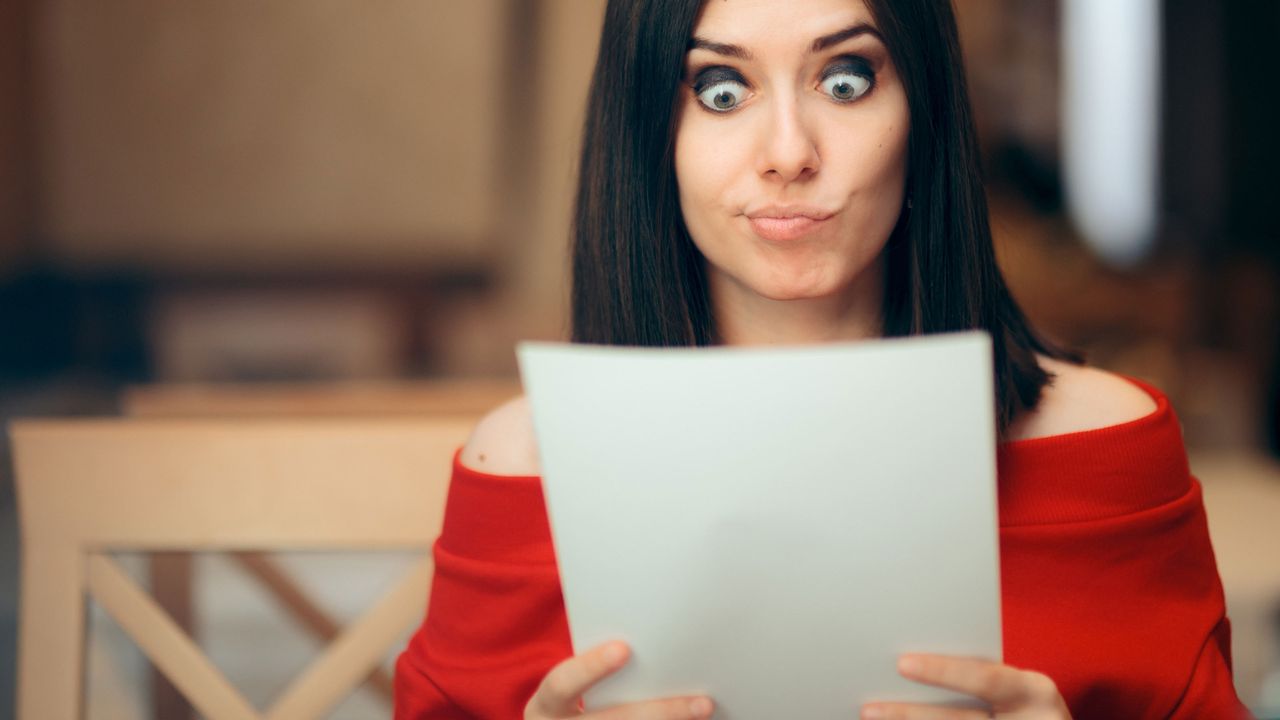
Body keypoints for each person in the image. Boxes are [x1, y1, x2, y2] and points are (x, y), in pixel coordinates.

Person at [395, 0, 1251, 717]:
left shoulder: (1109, 450)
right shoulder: (518, 466)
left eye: (846, 80)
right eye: (721, 89)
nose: (789, 153)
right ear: (649, 135)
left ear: (926, 111)